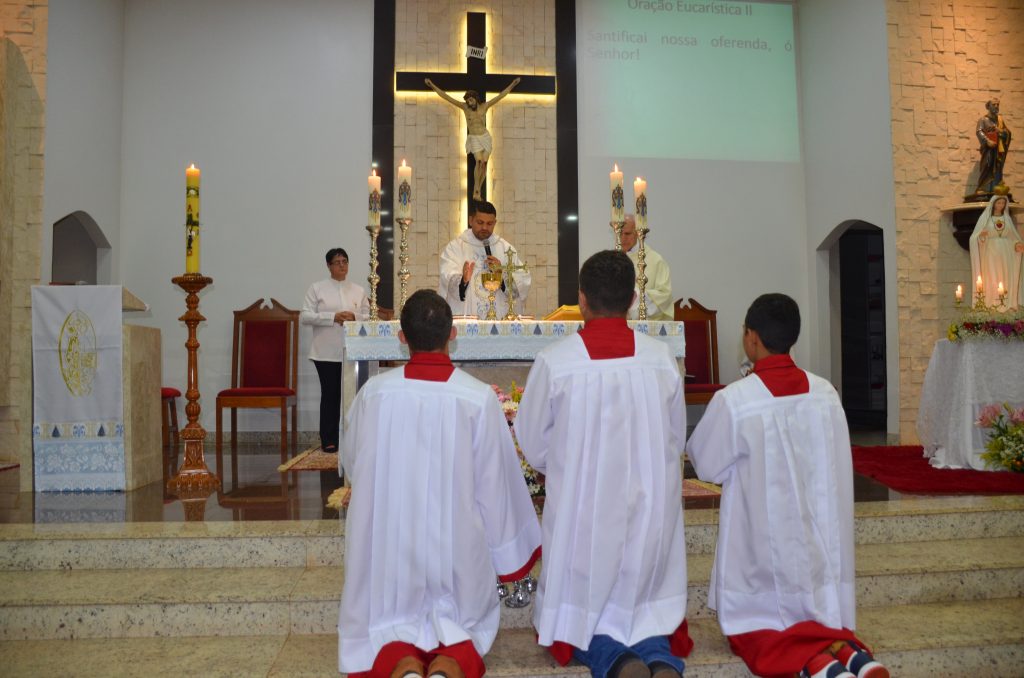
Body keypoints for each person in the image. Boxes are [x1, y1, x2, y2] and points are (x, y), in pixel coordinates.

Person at [338, 289, 542, 678]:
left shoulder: (373, 395)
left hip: (390, 546)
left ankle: (401, 660)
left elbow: (353, 462)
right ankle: (449, 661)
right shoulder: (477, 398)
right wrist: (511, 558)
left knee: (387, 620)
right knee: (461, 623)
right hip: (457, 553)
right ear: (452, 334)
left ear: (402, 338)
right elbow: (496, 488)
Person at [686, 294, 889, 678]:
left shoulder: (736, 400)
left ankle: (820, 666)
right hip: (816, 548)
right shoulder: (825, 393)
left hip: (761, 556)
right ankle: (851, 657)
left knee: (760, 632)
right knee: (818, 620)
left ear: (752, 338)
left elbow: (706, 463)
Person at [515, 250, 691, 678]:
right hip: (648, 510)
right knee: (642, 606)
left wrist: (567, 466)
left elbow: (533, 443)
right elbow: (675, 438)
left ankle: (615, 659)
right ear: (632, 299)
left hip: (584, 513)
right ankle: (657, 656)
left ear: (582, 298)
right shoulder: (660, 359)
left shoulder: (557, 361)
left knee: (584, 609)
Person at [300, 248, 369, 453]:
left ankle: (352, 438)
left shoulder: (358, 290)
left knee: (352, 395)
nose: (342, 265)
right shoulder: (317, 288)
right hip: (325, 352)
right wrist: (332, 317)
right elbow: (305, 316)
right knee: (330, 395)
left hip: (353, 351)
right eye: (337, 262)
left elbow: (368, 315)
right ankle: (329, 439)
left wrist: (354, 317)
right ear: (328, 266)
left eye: (345, 261)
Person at [425, 77, 520, 200]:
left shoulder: (484, 106)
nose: (470, 103)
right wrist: (432, 85)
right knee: (479, 161)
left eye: (471, 100)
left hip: (485, 137)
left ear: (476, 99)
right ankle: (476, 188)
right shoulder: (465, 108)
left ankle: (477, 191)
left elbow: (500, 96)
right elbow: (446, 97)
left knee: (484, 163)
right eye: (468, 101)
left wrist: (513, 84)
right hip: (474, 138)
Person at [438, 200, 531, 318]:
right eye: (480, 222)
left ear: (495, 223)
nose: (484, 227)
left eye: (489, 223)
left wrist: (502, 275)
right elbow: (447, 280)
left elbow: (521, 284)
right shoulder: (455, 248)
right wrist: (463, 281)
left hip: (499, 320)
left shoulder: (506, 249)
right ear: (471, 220)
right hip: (468, 320)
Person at [969, 194, 1023, 309]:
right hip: (991, 251)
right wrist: (981, 236)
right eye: (999, 203)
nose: (1001, 205)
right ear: (993, 204)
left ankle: (1006, 304)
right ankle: (992, 303)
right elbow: (975, 237)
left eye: (1003, 203)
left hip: (1006, 252)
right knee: (991, 275)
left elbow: (1012, 237)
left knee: (1005, 275)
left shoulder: (1007, 219)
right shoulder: (986, 219)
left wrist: (1017, 244)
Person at [620, 214, 674, 320]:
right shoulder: (612, 260)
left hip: (646, 324)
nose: (622, 238)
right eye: (619, 234)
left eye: (627, 233)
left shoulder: (656, 260)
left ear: (638, 233)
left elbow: (665, 296)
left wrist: (636, 296)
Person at [970, 97, 1012, 200]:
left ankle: (996, 188)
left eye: (998, 104)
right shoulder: (983, 120)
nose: (996, 106)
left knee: (998, 168)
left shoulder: (1000, 120)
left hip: (998, 150)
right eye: (994, 104)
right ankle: (982, 188)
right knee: (987, 165)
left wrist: (1000, 131)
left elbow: (1008, 133)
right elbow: (979, 131)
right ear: (988, 106)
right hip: (988, 150)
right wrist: (987, 141)